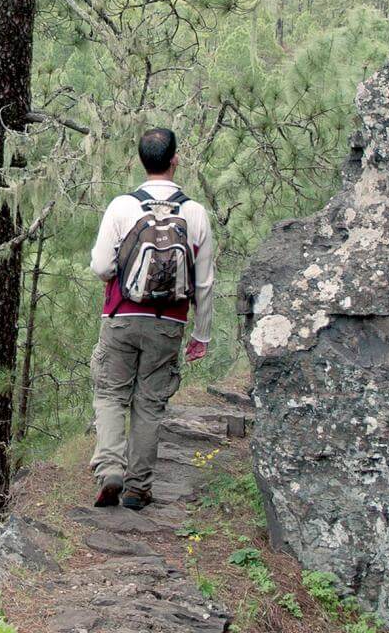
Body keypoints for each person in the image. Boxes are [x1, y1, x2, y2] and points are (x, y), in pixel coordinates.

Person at [87, 127, 215, 510]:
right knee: (149, 402)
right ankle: (138, 486)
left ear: (142, 160)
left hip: (121, 316)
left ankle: (111, 467)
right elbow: (204, 282)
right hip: (169, 322)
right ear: (175, 158)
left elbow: (101, 266)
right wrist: (201, 334)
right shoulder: (194, 213)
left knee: (110, 393)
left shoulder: (122, 207)